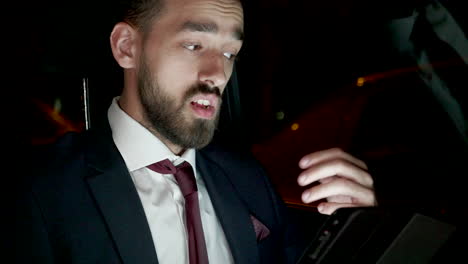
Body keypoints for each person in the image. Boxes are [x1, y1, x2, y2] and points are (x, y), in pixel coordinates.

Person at [15, 0, 376, 263]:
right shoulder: (36, 191)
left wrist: (355, 235)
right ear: (127, 47)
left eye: (231, 53)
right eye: (194, 45)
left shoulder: (247, 177)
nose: (217, 74)